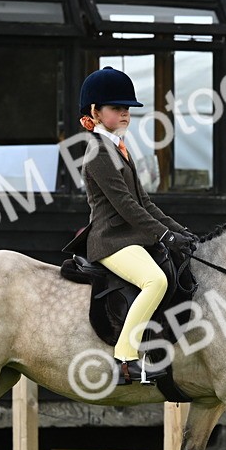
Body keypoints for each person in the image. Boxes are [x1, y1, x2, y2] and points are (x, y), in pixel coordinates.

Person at [64, 67, 197, 385]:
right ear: (95, 112)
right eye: (116, 108)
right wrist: (163, 234)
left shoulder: (119, 147)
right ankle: (125, 357)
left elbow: (145, 203)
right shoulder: (97, 152)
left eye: (127, 108)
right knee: (155, 280)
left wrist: (180, 232)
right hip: (110, 239)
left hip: (131, 236)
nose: (124, 113)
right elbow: (126, 207)